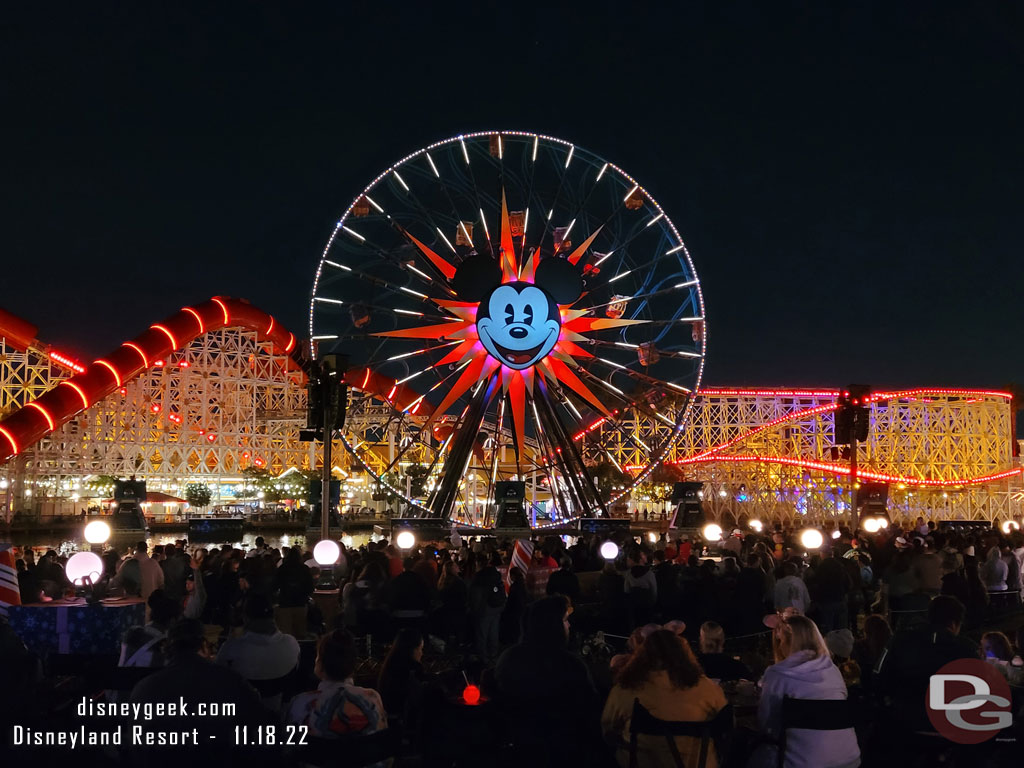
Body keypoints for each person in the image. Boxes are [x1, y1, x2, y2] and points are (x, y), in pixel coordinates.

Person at [129, 619, 275, 768]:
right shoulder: (231, 680)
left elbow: (135, 744)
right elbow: (260, 726)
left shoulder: (145, 688)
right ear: (204, 645)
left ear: (167, 650)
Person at [494, 596, 601, 766]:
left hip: (519, 746)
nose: (569, 625)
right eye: (565, 620)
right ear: (552, 625)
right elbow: (589, 710)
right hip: (560, 749)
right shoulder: (570, 665)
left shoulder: (509, 658)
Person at [602, 629, 727, 768]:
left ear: (641, 657)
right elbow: (726, 724)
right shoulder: (706, 687)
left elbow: (608, 731)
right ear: (684, 656)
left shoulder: (626, 689)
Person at [751, 614, 860, 768]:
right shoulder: (833, 670)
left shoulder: (777, 673)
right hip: (848, 759)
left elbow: (766, 724)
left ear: (789, 642)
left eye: (780, 640)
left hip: (802, 763)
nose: (779, 645)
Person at [874, 595, 977, 730]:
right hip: (950, 724)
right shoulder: (966, 648)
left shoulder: (900, 640)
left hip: (902, 720)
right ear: (954, 624)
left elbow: (878, 675)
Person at [285, 629, 388, 753]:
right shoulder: (373, 698)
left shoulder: (300, 703)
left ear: (320, 663)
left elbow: (290, 749)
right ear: (353, 663)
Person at [216, 593, 300, 710]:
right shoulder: (291, 644)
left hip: (241, 714)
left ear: (245, 618)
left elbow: (220, 681)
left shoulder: (231, 648)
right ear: (273, 615)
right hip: (277, 714)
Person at [376, 627, 424, 722]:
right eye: (421, 649)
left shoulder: (389, 667)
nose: (422, 653)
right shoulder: (412, 671)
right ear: (413, 649)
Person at [468, 552, 505, 661]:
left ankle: (483, 657)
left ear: (478, 563)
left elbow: (476, 596)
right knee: (494, 630)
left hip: (484, 608)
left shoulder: (479, 577)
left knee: (482, 633)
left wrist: (474, 609)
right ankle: (493, 653)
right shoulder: (495, 573)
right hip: (497, 606)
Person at [273, 546, 314, 638]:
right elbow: (310, 587)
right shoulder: (304, 569)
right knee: (301, 633)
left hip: (285, 603)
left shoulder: (282, 568)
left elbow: (275, 585)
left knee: (286, 634)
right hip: (300, 603)